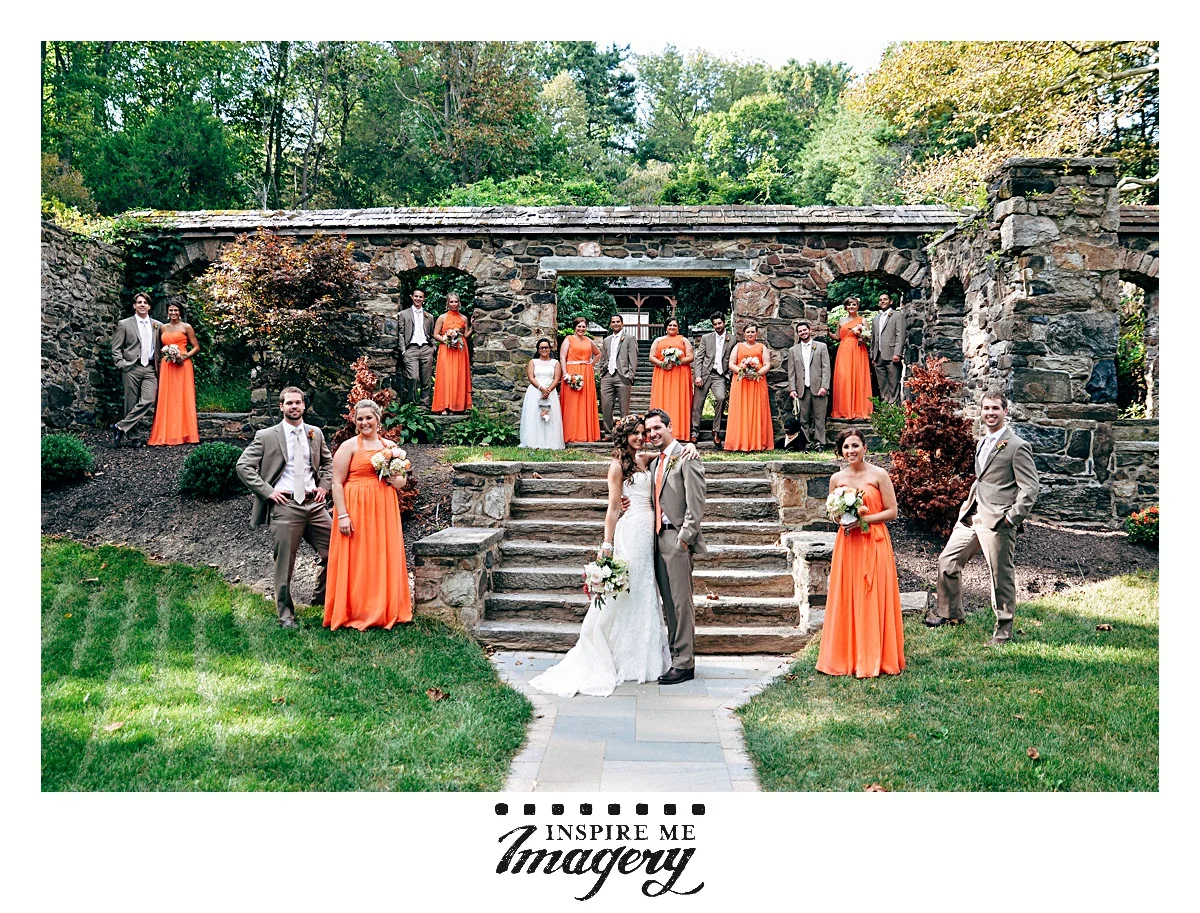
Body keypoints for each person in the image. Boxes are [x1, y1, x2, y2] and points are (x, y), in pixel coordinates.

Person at [527, 414, 673, 697]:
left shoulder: (644, 459)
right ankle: (616, 654)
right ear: (623, 436)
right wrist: (607, 544)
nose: (640, 437)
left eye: (642, 432)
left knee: (645, 589)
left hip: (649, 530)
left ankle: (644, 655)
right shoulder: (616, 467)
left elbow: (669, 453)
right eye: (634, 433)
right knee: (629, 589)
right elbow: (613, 507)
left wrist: (688, 448)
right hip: (631, 530)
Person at [927, 391, 1040, 645]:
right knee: (948, 561)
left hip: (999, 520)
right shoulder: (982, 442)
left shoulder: (1017, 446)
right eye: (986, 408)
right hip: (973, 514)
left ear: (1005, 411)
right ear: (981, 411)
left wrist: (1011, 518)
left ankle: (1003, 631)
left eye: (995, 408)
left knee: (1000, 576)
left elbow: (1030, 488)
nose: (990, 413)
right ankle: (951, 614)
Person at [235, 387, 333, 628]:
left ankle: (320, 600)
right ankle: (286, 615)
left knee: (336, 551)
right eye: (289, 403)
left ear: (304, 405)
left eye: (298, 402)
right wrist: (268, 491)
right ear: (281, 407)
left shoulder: (315, 433)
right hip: (285, 506)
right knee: (285, 563)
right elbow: (243, 466)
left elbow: (328, 463)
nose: (294, 406)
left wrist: (324, 486)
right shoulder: (267, 436)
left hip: (314, 505)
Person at [816, 428, 905, 678]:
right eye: (846, 447)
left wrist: (863, 521)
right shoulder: (837, 478)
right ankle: (845, 657)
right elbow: (832, 513)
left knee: (871, 595)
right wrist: (839, 518)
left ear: (865, 448)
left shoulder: (879, 475)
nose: (850, 451)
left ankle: (874, 657)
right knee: (847, 596)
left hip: (874, 541)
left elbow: (892, 512)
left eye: (855, 445)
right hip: (848, 544)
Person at [324, 399, 413, 631]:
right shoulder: (349, 447)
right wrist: (342, 515)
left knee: (381, 554)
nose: (365, 422)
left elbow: (402, 481)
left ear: (378, 419)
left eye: (369, 418)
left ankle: (384, 608)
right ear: (355, 422)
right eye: (360, 419)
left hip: (384, 507)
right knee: (359, 557)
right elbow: (336, 482)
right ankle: (357, 610)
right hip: (356, 507)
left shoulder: (391, 447)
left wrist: (396, 479)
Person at [644, 409, 707, 684]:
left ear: (670, 427)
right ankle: (675, 655)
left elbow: (697, 502)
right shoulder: (655, 462)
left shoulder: (687, 457)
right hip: (657, 538)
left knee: (682, 603)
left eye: (657, 428)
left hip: (676, 539)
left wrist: (685, 537)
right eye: (649, 430)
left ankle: (685, 663)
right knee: (668, 602)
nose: (653, 434)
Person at [109, 292, 162, 447]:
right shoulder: (124, 324)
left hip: (150, 368)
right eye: (139, 302)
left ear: (149, 306)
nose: (142, 305)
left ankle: (120, 426)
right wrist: (121, 363)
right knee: (130, 403)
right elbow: (116, 347)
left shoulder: (158, 325)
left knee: (149, 399)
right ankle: (134, 437)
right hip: (132, 367)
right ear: (134, 305)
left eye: (145, 302)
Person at [148, 302, 200, 446]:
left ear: (180, 312)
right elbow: (158, 347)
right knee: (167, 397)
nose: (173, 313)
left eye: (176, 310)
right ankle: (166, 434)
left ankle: (186, 434)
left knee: (183, 396)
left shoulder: (186, 327)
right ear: (167, 312)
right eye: (170, 310)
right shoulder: (162, 328)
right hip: (167, 365)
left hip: (183, 364)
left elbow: (196, 347)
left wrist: (185, 356)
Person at [723, 322, 773, 452]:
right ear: (744, 334)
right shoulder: (738, 346)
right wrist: (742, 371)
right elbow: (731, 364)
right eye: (748, 332)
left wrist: (757, 373)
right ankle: (739, 442)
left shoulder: (762, 347)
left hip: (757, 382)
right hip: (741, 382)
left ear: (756, 333)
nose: (750, 334)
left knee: (758, 409)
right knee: (740, 410)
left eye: (752, 332)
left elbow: (767, 364)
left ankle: (757, 442)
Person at [648, 318, 695, 443]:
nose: (672, 327)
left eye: (675, 325)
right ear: (666, 327)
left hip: (680, 374)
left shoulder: (684, 340)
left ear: (678, 328)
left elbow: (691, 357)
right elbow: (651, 357)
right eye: (670, 325)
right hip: (662, 374)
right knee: (662, 399)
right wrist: (662, 364)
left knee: (679, 400)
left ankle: (679, 431)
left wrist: (677, 361)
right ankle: (659, 431)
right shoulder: (658, 340)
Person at [786, 320, 830, 451]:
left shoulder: (821, 347)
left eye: (805, 330)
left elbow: (826, 368)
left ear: (810, 330)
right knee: (803, 418)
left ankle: (819, 443)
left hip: (818, 387)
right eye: (800, 331)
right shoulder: (793, 350)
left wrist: (824, 386)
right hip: (801, 389)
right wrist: (792, 389)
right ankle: (805, 443)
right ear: (798, 334)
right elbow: (791, 372)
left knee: (819, 418)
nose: (803, 333)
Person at [691, 313, 731, 448]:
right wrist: (698, 376)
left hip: (720, 375)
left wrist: (729, 374)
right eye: (715, 324)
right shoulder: (706, 338)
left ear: (724, 322)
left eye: (719, 323)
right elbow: (699, 358)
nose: (717, 326)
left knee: (721, 398)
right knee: (698, 404)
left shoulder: (732, 339)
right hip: (705, 374)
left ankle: (716, 430)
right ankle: (695, 431)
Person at [559, 316, 602, 444]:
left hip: (586, 373)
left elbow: (598, 353)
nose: (581, 329)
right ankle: (571, 433)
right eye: (579, 326)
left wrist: (591, 364)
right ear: (575, 327)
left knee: (585, 402)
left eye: (583, 327)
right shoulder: (568, 339)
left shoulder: (589, 340)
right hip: (572, 371)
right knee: (572, 403)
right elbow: (562, 357)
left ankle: (585, 433)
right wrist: (565, 374)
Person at [519, 337, 566, 450]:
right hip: (535, 391)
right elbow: (531, 377)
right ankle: (533, 441)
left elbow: (557, 378)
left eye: (546, 347)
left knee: (550, 416)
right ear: (538, 350)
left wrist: (548, 390)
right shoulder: (533, 362)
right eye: (541, 348)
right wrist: (541, 388)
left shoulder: (555, 363)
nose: (544, 349)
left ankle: (550, 442)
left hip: (550, 392)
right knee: (534, 416)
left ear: (550, 349)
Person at [431, 292, 473, 414]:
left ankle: (457, 406)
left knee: (458, 376)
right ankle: (444, 406)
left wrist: (472, 327)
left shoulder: (464, 318)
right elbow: (435, 334)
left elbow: (466, 336)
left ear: (459, 303)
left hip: (460, 350)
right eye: (451, 302)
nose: (454, 304)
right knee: (446, 375)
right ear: (447, 303)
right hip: (446, 349)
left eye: (456, 302)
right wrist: (446, 340)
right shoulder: (442, 317)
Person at [831, 296, 873, 420]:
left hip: (858, 350)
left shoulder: (863, 320)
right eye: (849, 304)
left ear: (858, 306)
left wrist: (861, 336)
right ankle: (844, 409)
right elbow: (837, 337)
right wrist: (828, 332)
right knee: (844, 378)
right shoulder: (841, 320)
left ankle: (860, 409)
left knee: (859, 376)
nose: (851, 307)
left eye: (854, 304)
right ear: (845, 307)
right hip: (844, 350)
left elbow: (868, 337)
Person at [598, 314, 637, 439]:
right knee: (606, 405)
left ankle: (623, 433)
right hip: (607, 375)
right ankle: (608, 433)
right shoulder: (607, 340)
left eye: (618, 321)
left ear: (622, 323)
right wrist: (601, 371)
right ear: (610, 324)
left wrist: (630, 375)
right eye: (613, 322)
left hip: (622, 375)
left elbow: (633, 358)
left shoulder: (629, 338)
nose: (615, 324)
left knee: (624, 407)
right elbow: (603, 357)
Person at [398, 288, 437, 408]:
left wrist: (433, 348)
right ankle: (412, 405)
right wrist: (403, 350)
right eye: (416, 296)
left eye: (420, 297)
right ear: (412, 297)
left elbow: (432, 333)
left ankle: (424, 404)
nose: (418, 299)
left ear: (424, 299)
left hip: (426, 349)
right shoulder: (404, 314)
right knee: (413, 377)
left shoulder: (429, 316)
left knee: (426, 379)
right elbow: (401, 333)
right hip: (411, 349)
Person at [870, 292, 906, 405]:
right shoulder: (876, 319)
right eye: (880, 300)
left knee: (893, 381)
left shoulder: (897, 316)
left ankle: (894, 404)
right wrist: (873, 355)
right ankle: (885, 403)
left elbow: (900, 335)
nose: (882, 301)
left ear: (891, 301)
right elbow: (873, 338)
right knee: (882, 382)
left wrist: (897, 353)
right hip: (878, 355)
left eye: (885, 299)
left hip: (891, 354)